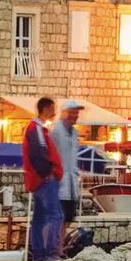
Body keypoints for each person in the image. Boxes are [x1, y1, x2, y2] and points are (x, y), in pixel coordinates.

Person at [22, 96, 64, 261]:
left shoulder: (35, 128)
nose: (54, 112)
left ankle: (38, 254)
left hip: (37, 180)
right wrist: (48, 173)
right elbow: (38, 153)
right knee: (56, 215)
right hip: (45, 179)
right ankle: (51, 253)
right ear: (46, 109)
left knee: (39, 218)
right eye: (53, 108)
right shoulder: (37, 129)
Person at [54, 100, 85, 251]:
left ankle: (58, 248)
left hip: (71, 183)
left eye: (76, 113)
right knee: (57, 218)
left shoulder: (75, 133)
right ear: (64, 113)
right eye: (72, 112)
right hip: (59, 182)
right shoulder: (56, 131)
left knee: (66, 219)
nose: (75, 115)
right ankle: (53, 249)